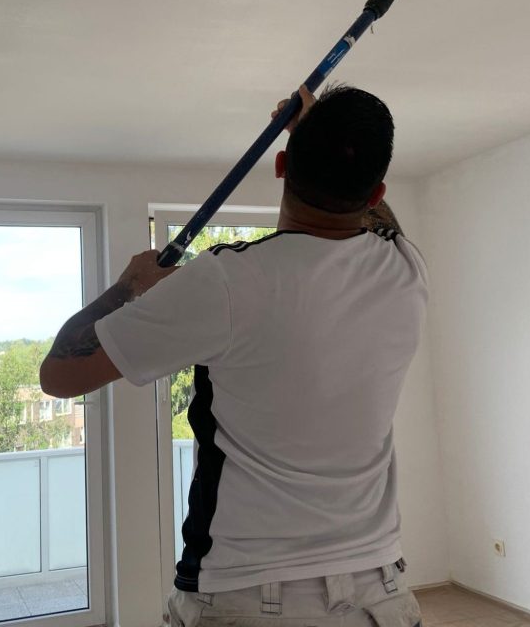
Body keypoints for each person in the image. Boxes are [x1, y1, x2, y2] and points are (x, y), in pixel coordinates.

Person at [40, 84, 427, 627]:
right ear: (376, 191)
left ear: (281, 165)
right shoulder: (405, 267)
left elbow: (59, 375)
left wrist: (129, 286)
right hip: (380, 593)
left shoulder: (226, 280)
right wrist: (315, 134)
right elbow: (381, 221)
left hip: (249, 592)